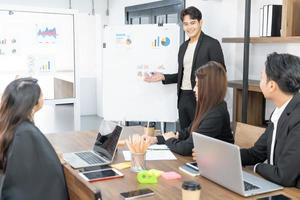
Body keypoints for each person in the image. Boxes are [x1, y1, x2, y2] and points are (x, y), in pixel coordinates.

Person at [144, 6, 225, 130]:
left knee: (198, 135)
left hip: (201, 98)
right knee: (184, 134)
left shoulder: (212, 44)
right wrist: (163, 76)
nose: (189, 27)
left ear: (200, 22)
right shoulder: (183, 47)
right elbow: (184, 74)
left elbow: (220, 74)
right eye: (186, 24)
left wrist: (211, 99)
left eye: (193, 23)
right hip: (183, 97)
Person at [144, 61, 233, 156]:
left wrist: (170, 140)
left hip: (218, 165)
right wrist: (157, 139)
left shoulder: (216, 114)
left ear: (209, 88)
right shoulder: (209, 106)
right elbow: (188, 131)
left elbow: (187, 148)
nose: (194, 89)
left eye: (198, 85)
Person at [0, 78, 68, 199]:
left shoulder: (9, 125)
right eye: (41, 94)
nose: (43, 97)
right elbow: (48, 175)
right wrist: (54, 159)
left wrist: (48, 154)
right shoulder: (25, 133)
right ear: (33, 103)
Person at [239, 53, 300, 188]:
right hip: (277, 187)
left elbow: (283, 176)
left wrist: (257, 167)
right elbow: (256, 153)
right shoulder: (280, 110)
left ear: (272, 86)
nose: (260, 82)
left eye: (261, 77)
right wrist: (226, 156)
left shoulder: (297, 118)